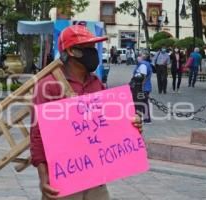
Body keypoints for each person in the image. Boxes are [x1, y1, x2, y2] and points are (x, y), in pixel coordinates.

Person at [30, 25, 143, 200]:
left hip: (95, 178)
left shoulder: (96, 83)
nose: (94, 53)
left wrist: (132, 124)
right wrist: (43, 177)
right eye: (89, 48)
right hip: (64, 177)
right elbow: (38, 134)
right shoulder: (48, 86)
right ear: (71, 51)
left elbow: (109, 123)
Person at [132, 51, 153, 124]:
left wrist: (141, 87)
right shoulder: (143, 64)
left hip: (142, 87)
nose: (138, 57)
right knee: (143, 103)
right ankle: (146, 119)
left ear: (143, 57)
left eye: (139, 56)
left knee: (140, 103)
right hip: (144, 87)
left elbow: (143, 77)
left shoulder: (143, 65)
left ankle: (142, 119)